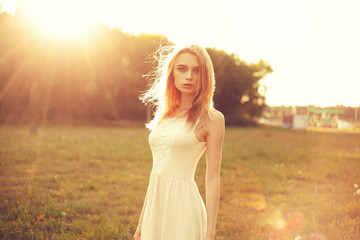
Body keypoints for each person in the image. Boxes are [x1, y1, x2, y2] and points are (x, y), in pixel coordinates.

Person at [134, 44, 225, 240]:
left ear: (205, 76)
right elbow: (156, 172)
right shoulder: (166, 115)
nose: (189, 76)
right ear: (172, 73)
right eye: (182, 69)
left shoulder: (213, 119)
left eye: (196, 71)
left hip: (183, 206)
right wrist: (143, 219)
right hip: (156, 206)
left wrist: (210, 231)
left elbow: (213, 178)